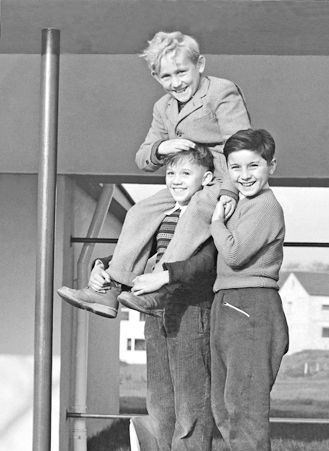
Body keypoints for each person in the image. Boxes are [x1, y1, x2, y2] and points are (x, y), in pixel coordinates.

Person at [58, 30, 250, 318]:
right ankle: (112, 288)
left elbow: (240, 147)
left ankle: (160, 285)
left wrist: (229, 191)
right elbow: (143, 158)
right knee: (141, 211)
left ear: (200, 65)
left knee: (196, 211)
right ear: (155, 77)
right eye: (166, 77)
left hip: (218, 178)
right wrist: (163, 147)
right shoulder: (163, 108)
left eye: (182, 72)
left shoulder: (221, 92)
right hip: (185, 179)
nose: (176, 82)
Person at [89, 145, 217, 451]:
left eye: (185, 174)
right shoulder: (164, 213)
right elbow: (142, 254)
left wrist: (166, 276)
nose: (176, 180)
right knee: (160, 400)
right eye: (170, 174)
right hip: (154, 310)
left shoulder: (207, 211)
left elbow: (207, 263)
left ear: (206, 179)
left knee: (191, 400)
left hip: (192, 308)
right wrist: (104, 267)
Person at [200, 128, 289, 451]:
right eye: (235, 166)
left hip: (253, 305)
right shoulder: (244, 203)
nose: (245, 174)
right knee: (224, 404)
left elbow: (234, 255)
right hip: (228, 302)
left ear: (271, 166)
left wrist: (217, 220)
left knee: (244, 401)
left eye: (254, 165)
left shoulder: (266, 206)